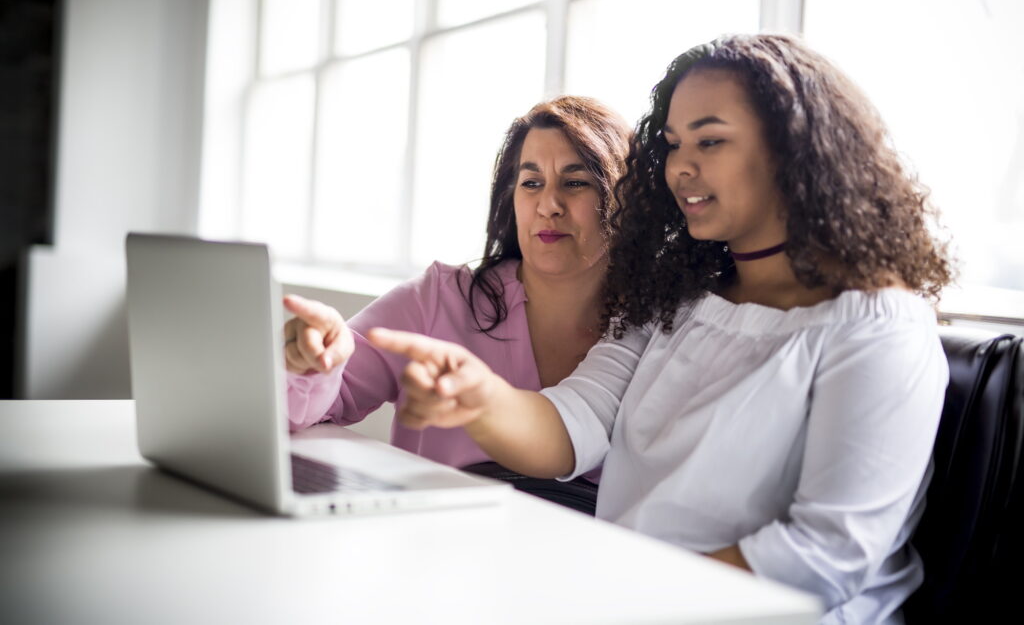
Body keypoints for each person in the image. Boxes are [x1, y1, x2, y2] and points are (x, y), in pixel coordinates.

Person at [368, 34, 954, 623]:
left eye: (710, 141)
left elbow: (823, 558)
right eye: (673, 145)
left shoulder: (877, 329)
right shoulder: (677, 302)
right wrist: (481, 397)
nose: (681, 168)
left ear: (793, 151)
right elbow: (572, 427)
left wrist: (623, 597)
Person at [283, 95, 631, 514]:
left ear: (624, 198)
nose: (548, 205)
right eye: (531, 182)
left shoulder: (655, 330)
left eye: (575, 182)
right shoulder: (438, 299)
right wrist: (315, 359)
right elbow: (302, 407)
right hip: (435, 549)